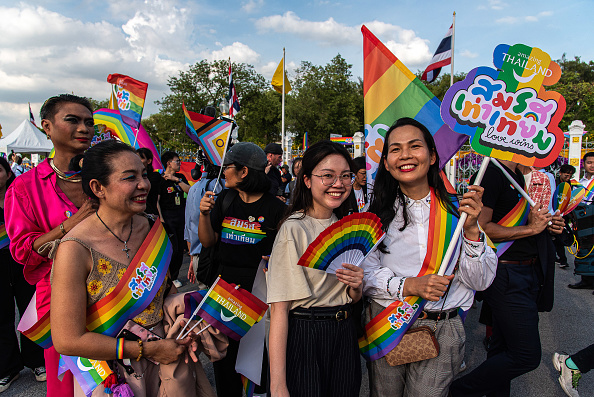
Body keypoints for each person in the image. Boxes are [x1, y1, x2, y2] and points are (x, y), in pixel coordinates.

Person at [50, 140, 212, 397]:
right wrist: (146, 350)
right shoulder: (75, 248)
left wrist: (190, 313)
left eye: (144, 175)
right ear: (98, 188)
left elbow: (163, 292)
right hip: (109, 370)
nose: (144, 185)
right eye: (130, 177)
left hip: (166, 357)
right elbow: (67, 339)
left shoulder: (152, 228)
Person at [361, 118, 497, 397]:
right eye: (395, 149)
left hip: (442, 327)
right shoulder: (374, 212)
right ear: (386, 162)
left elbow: (480, 281)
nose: (406, 155)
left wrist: (471, 230)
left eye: (415, 146)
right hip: (389, 321)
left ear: (432, 156)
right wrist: (409, 286)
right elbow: (362, 272)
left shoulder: (459, 212)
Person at [5, 94, 98, 397]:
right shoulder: (25, 186)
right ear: (46, 126)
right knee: (69, 385)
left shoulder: (105, 178)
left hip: (115, 295)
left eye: (88, 122)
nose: (84, 128)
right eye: (73, 120)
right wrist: (70, 224)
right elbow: (22, 250)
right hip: (61, 303)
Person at [450, 158, 564, 397]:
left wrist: (546, 224)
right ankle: (459, 391)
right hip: (507, 273)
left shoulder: (516, 175)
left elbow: (519, 221)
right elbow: (481, 227)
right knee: (526, 355)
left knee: (502, 349)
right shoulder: (490, 174)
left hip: (526, 271)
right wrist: (531, 230)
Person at [267, 140, 364, 397]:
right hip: (305, 334)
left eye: (345, 176)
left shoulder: (347, 228)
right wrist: (278, 385)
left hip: (344, 333)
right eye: (328, 176)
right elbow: (279, 309)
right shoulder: (294, 228)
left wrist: (357, 286)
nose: (338, 184)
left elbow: (352, 297)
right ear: (307, 180)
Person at [199, 142, 287, 396]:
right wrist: (204, 214)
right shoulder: (224, 200)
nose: (223, 172)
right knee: (223, 359)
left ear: (244, 172)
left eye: (227, 167)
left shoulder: (277, 209)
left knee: (256, 360)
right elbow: (207, 242)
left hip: (258, 295)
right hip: (224, 292)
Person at [0, 157, 45, 393]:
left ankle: (37, 362)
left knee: (30, 309)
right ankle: (8, 368)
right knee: (2, 315)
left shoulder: (19, 197)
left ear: (8, 173)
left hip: (23, 260)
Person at [185, 160, 222, 288]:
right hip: (215, 257)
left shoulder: (194, 188)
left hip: (197, 256)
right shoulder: (222, 188)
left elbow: (189, 228)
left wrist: (192, 257)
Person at [158, 151, 190, 288]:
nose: (179, 163)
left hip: (181, 214)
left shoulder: (180, 177)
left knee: (180, 248)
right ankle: (167, 277)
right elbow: (157, 201)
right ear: (168, 163)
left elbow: (189, 191)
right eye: (177, 161)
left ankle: (175, 276)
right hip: (167, 216)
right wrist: (161, 219)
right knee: (173, 248)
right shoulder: (160, 179)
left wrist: (177, 180)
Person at [554, 164, 576, 269]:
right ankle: (561, 259)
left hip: (564, 215)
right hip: (554, 214)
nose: (568, 178)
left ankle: (562, 259)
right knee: (556, 238)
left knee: (559, 237)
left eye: (570, 176)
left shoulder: (569, 184)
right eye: (566, 175)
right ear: (560, 173)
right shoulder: (554, 183)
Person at [136, 148, 162, 217]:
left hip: (150, 213)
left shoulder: (155, 176)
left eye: (140, 158)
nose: (137, 161)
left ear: (149, 161)